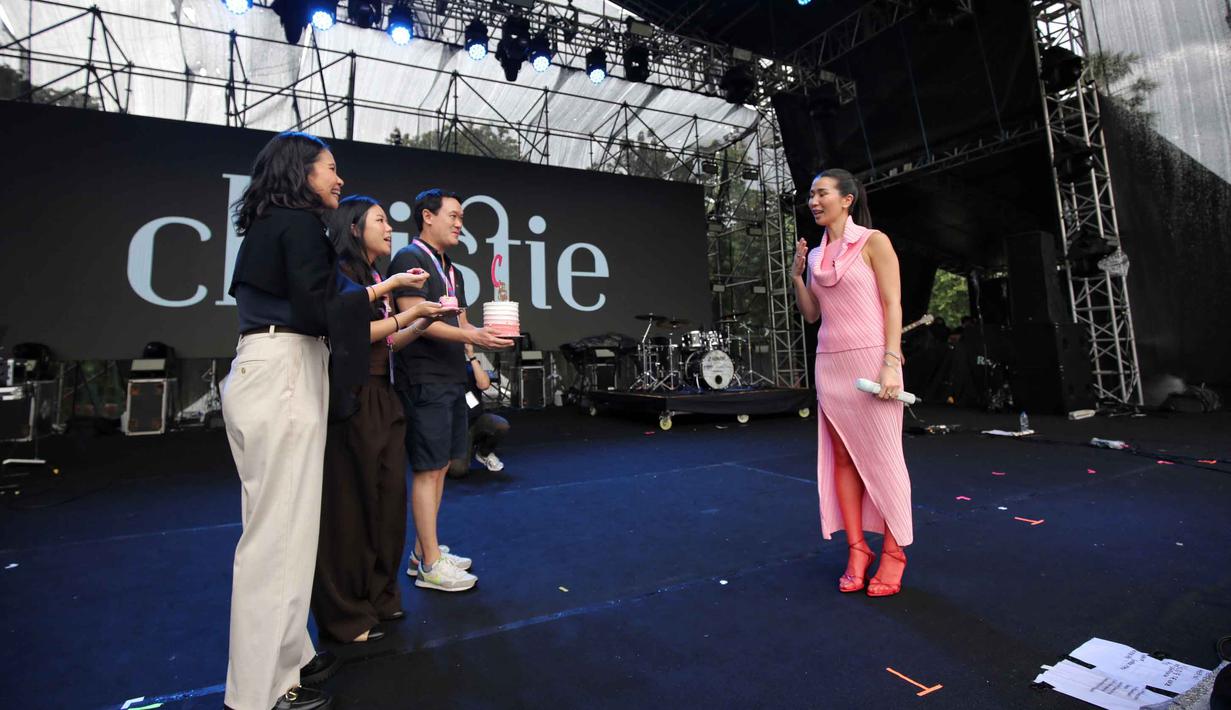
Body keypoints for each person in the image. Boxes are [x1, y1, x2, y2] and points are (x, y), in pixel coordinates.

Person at [222, 132, 422, 710]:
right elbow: (323, 306)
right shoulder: (297, 225)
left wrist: (382, 289)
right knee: (278, 539)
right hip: (282, 370)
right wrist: (387, 294)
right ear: (299, 172)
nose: (339, 180)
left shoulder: (276, 226)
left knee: (289, 533)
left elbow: (327, 298)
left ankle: (290, 660)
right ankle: (259, 694)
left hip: (278, 368)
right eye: (331, 169)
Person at [310, 196, 458, 645]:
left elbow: (388, 342)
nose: (389, 229)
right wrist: (411, 312)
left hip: (385, 396)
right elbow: (350, 332)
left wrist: (421, 318)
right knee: (352, 509)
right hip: (355, 398)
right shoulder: (343, 275)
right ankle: (347, 613)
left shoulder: (376, 277)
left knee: (387, 505)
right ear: (354, 228)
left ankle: (382, 596)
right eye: (380, 221)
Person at [791, 168, 913, 598]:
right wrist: (797, 275)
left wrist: (891, 362)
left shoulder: (874, 241)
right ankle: (857, 550)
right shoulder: (819, 255)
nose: (813, 200)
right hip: (830, 366)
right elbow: (811, 314)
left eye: (821, 193)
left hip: (872, 361)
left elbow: (892, 303)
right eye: (810, 194)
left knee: (884, 459)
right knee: (843, 458)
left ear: (846, 198)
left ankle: (895, 553)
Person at [388, 189, 513, 592]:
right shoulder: (410, 259)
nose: (460, 224)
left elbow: (457, 318)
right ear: (427, 216)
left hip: (449, 377)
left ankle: (424, 551)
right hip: (422, 376)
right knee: (428, 469)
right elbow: (412, 320)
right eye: (454, 216)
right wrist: (470, 334)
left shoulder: (449, 266)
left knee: (441, 466)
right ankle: (429, 564)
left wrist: (473, 357)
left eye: (462, 217)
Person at [447, 343, 511, 477]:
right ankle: (458, 453)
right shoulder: (441, 371)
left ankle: (483, 453)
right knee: (457, 471)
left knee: (501, 425)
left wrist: (471, 355)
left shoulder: (470, 367)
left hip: (475, 420)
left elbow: (484, 384)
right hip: (456, 429)